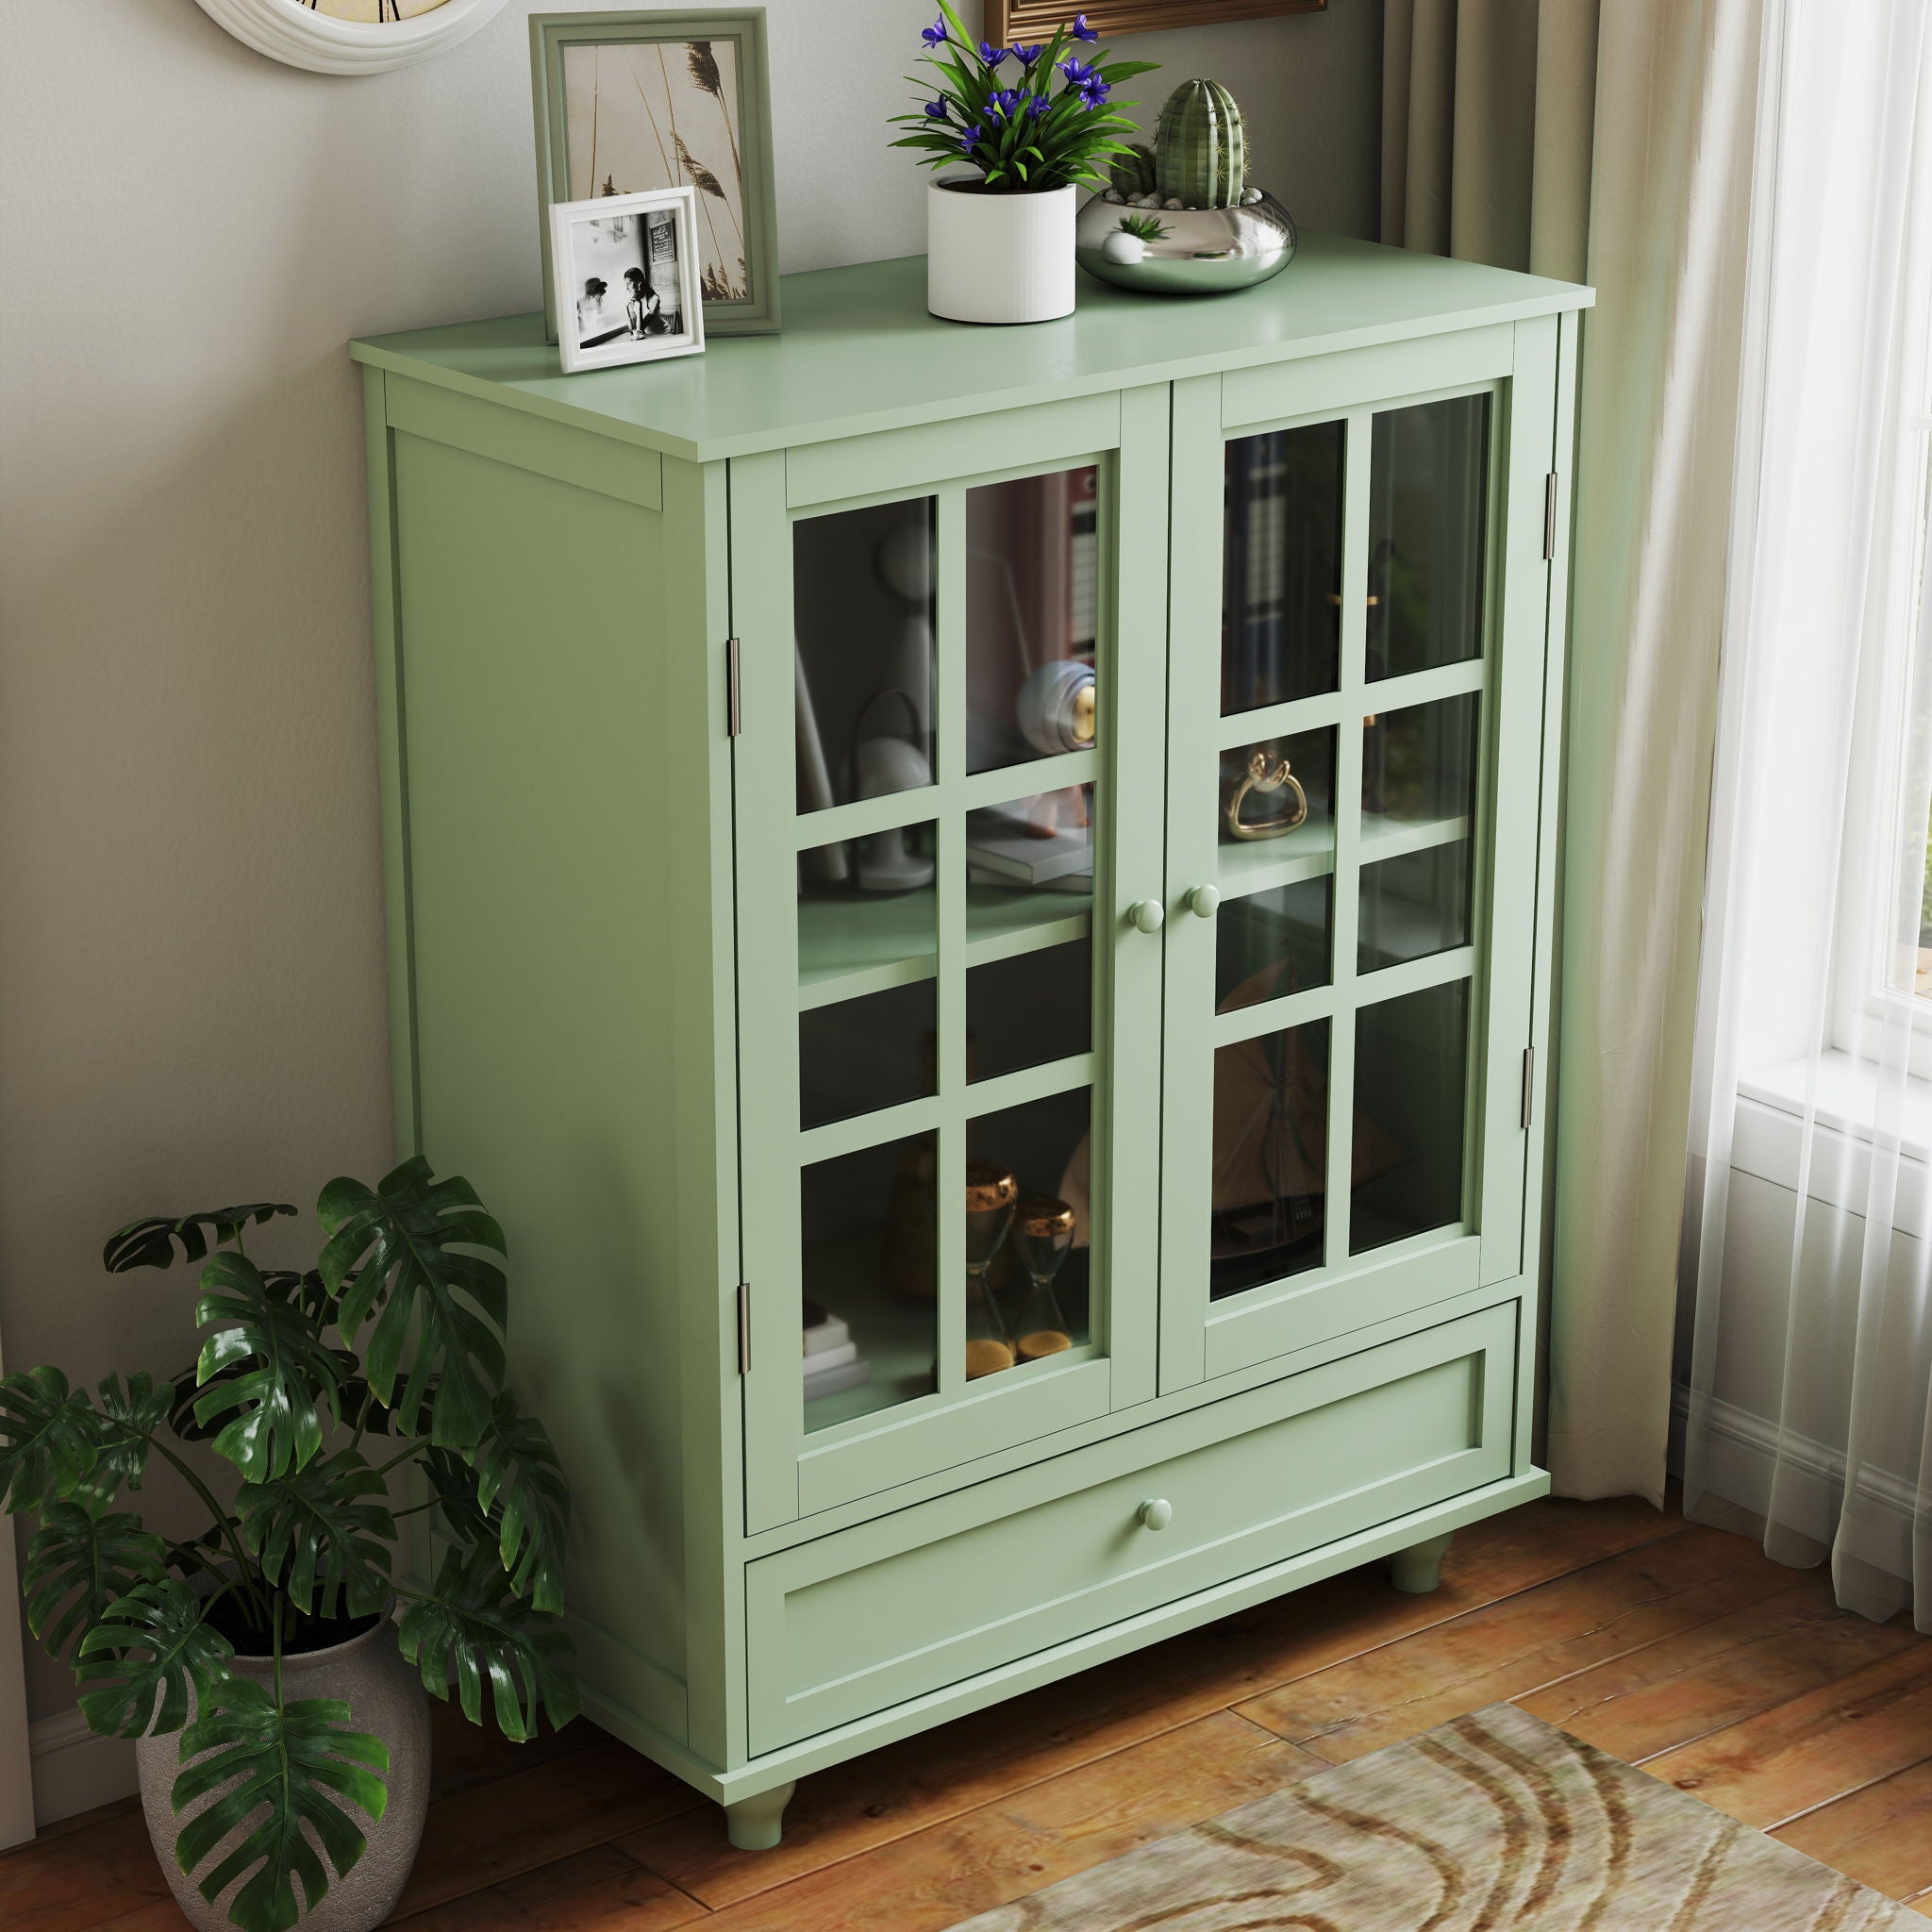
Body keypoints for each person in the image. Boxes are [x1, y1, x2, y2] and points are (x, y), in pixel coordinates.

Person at [624, 265, 663, 339]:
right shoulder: (633, 299)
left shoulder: (654, 299)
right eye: (626, 284)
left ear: (639, 282)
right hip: (648, 337)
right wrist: (627, 308)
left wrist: (639, 304)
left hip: (662, 335)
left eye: (629, 283)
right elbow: (633, 329)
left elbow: (640, 329)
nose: (627, 288)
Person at [575, 277, 611, 343]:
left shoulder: (595, 309)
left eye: (601, 298)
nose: (601, 303)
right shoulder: (577, 309)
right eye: (598, 299)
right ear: (589, 297)